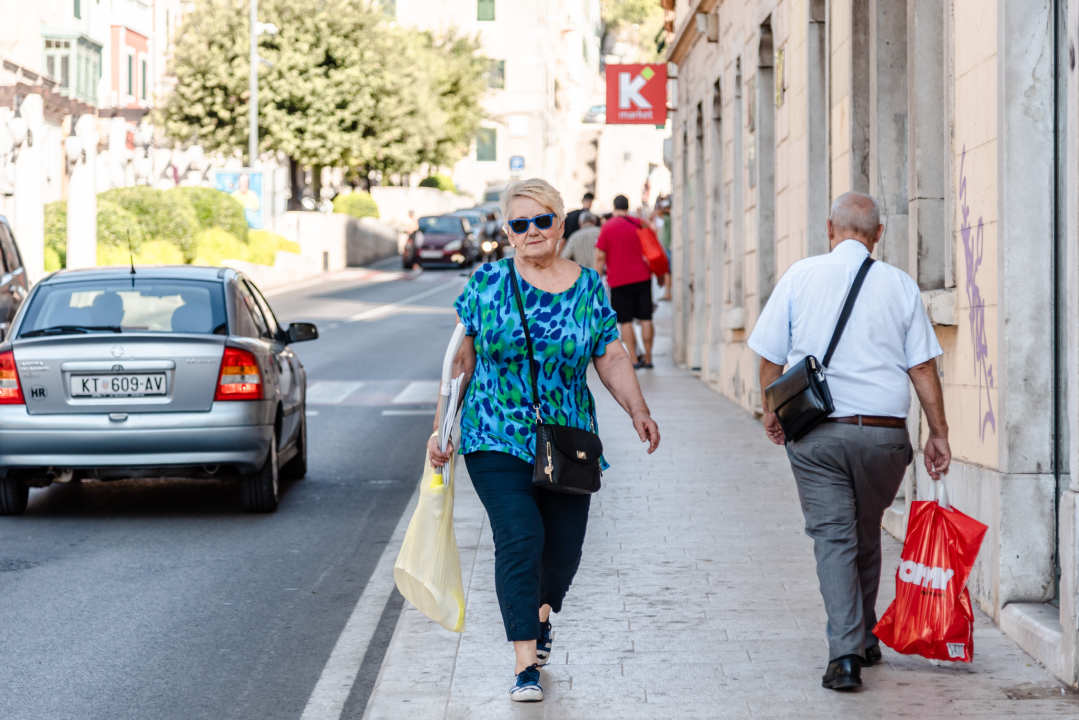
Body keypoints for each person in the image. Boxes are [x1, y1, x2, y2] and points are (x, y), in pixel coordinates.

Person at [428, 178, 660, 704]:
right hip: (495, 433)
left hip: (567, 440)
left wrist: (638, 410)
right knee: (520, 538)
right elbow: (460, 361)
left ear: (560, 223)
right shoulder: (486, 284)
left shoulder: (587, 287)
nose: (531, 231)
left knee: (564, 553)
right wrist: (444, 425)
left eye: (541, 221)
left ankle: (541, 613)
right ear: (508, 232)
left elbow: (611, 353)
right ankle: (524, 663)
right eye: (519, 223)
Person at [747, 192, 951, 691]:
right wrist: (939, 433)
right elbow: (922, 367)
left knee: (835, 537)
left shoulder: (800, 275)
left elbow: (770, 358)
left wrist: (771, 409)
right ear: (878, 234)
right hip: (884, 438)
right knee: (865, 528)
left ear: (829, 228)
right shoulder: (900, 285)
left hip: (817, 435)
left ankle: (845, 657)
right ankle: (864, 636)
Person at [595, 195, 655, 369]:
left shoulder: (608, 227)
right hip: (642, 276)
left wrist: (596, 279)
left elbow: (600, 256)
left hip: (620, 279)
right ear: (627, 207)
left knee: (626, 320)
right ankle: (649, 358)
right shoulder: (640, 223)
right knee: (646, 317)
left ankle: (634, 360)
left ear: (614, 207)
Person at [653, 196, 673, 300]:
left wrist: (659, 205)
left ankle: (668, 293)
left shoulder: (668, 218)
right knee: (668, 272)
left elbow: (656, 213)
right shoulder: (668, 218)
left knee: (668, 272)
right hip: (667, 248)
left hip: (668, 248)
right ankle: (667, 292)